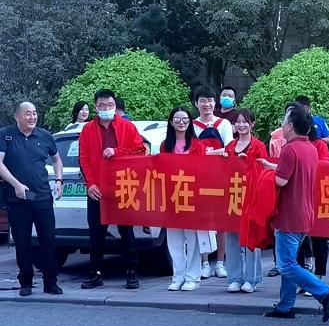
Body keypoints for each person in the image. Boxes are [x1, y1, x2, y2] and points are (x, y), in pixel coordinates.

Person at [257, 103, 329, 321]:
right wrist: (271, 166)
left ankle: (325, 292)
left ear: (291, 126)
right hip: (304, 212)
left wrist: (265, 176)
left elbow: (282, 180)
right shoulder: (310, 148)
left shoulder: (290, 149)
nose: (282, 125)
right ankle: (286, 306)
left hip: (289, 215)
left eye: (284, 121)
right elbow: (293, 173)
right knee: (290, 261)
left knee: (285, 264)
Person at [79, 89, 146, 290]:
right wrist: (90, 184)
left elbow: (140, 151)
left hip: (123, 187)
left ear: (115, 106)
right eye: (101, 106)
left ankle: (132, 272)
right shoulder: (88, 130)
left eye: (109, 105)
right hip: (97, 189)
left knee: (126, 232)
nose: (106, 109)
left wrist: (117, 151)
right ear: (95, 107)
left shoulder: (127, 127)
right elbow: (83, 159)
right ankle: (95, 273)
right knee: (96, 234)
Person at [0, 102, 63, 296]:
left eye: (34, 113)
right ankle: (25, 281)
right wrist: (16, 184)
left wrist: (59, 180)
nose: (32, 117)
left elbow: (57, 159)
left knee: (48, 240)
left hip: (42, 196)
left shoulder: (44, 136)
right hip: (17, 199)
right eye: (28, 114)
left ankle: (50, 281)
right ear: (17, 116)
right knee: (22, 241)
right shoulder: (6, 135)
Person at [161, 107, 205, 291]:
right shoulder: (165, 145)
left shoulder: (197, 145)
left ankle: (192, 276)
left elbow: (203, 170)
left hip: (191, 196)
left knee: (192, 238)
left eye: (185, 119)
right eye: (177, 119)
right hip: (171, 196)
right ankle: (177, 276)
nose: (181, 123)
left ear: (190, 122)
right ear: (171, 122)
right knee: (174, 238)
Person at [224, 109, 267, 293]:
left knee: (251, 238)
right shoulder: (230, 147)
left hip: (252, 198)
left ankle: (252, 278)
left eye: (245, 121)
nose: (241, 125)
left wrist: (247, 161)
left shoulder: (258, 146)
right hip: (233, 198)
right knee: (232, 239)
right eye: (238, 122)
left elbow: (264, 171)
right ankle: (234, 277)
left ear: (252, 124)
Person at [192, 85, 233, 279]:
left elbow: (229, 150)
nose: (206, 104)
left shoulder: (223, 124)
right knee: (202, 221)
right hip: (199, 179)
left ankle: (221, 263)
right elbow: (192, 152)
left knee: (221, 223)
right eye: (202, 100)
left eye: (209, 100)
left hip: (220, 178)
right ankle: (204, 262)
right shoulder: (192, 125)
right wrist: (213, 153)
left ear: (214, 103)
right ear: (196, 104)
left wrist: (207, 153)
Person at [296, 123, 329, 296]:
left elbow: (325, 169)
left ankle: (318, 276)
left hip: (318, 196)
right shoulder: (293, 144)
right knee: (300, 240)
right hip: (300, 197)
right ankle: (304, 278)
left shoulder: (320, 145)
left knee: (319, 239)